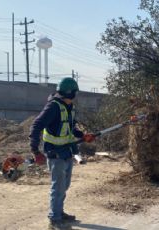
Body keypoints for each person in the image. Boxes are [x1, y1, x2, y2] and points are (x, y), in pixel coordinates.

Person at [29, 77, 96, 229]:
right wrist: (35, 150)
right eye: (75, 92)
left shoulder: (69, 107)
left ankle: (59, 211)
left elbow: (70, 128)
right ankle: (54, 218)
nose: (76, 95)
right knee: (57, 186)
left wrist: (83, 135)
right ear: (70, 92)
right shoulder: (53, 107)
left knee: (64, 185)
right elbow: (36, 125)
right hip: (54, 153)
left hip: (67, 152)